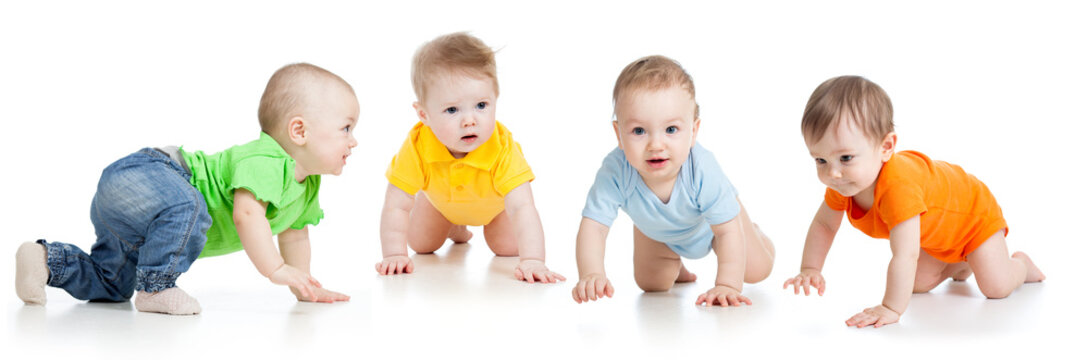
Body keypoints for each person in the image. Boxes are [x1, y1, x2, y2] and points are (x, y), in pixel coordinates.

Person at [14, 63, 357, 315]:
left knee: (113, 284)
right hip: (150, 176)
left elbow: (295, 236)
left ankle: (45, 261)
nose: (354, 141)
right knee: (193, 207)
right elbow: (247, 214)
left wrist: (304, 285)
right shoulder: (268, 158)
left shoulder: (308, 186)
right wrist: (275, 270)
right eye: (346, 128)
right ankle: (156, 289)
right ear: (299, 131)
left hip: (144, 223)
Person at [783, 75, 1045, 327]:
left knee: (996, 287)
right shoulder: (843, 184)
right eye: (820, 160)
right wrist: (810, 268)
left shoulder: (899, 188)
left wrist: (891, 307)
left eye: (846, 158)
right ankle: (962, 262)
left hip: (974, 218)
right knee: (917, 283)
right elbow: (824, 226)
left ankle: (1021, 265)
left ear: (886, 147)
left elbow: (905, 254)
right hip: (941, 234)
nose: (833, 173)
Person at [572, 55, 775, 306]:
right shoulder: (615, 171)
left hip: (716, 227)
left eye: (670, 130)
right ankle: (675, 263)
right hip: (656, 231)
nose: (656, 145)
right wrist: (592, 274)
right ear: (619, 134)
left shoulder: (701, 169)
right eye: (638, 131)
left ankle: (755, 234)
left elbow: (726, 231)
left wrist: (726, 285)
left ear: (693, 131)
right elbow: (594, 226)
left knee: (757, 270)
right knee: (651, 285)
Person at [375, 32, 563, 283]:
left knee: (506, 247)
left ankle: (461, 227)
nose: (469, 120)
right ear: (424, 114)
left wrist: (533, 261)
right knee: (420, 243)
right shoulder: (418, 144)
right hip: (439, 204)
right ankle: (452, 225)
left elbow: (522, 207)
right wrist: (394, 254)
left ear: (495, 99)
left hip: (496, 210)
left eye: (482, 105)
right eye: (452, 109)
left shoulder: (502, 148)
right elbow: (397, 204)